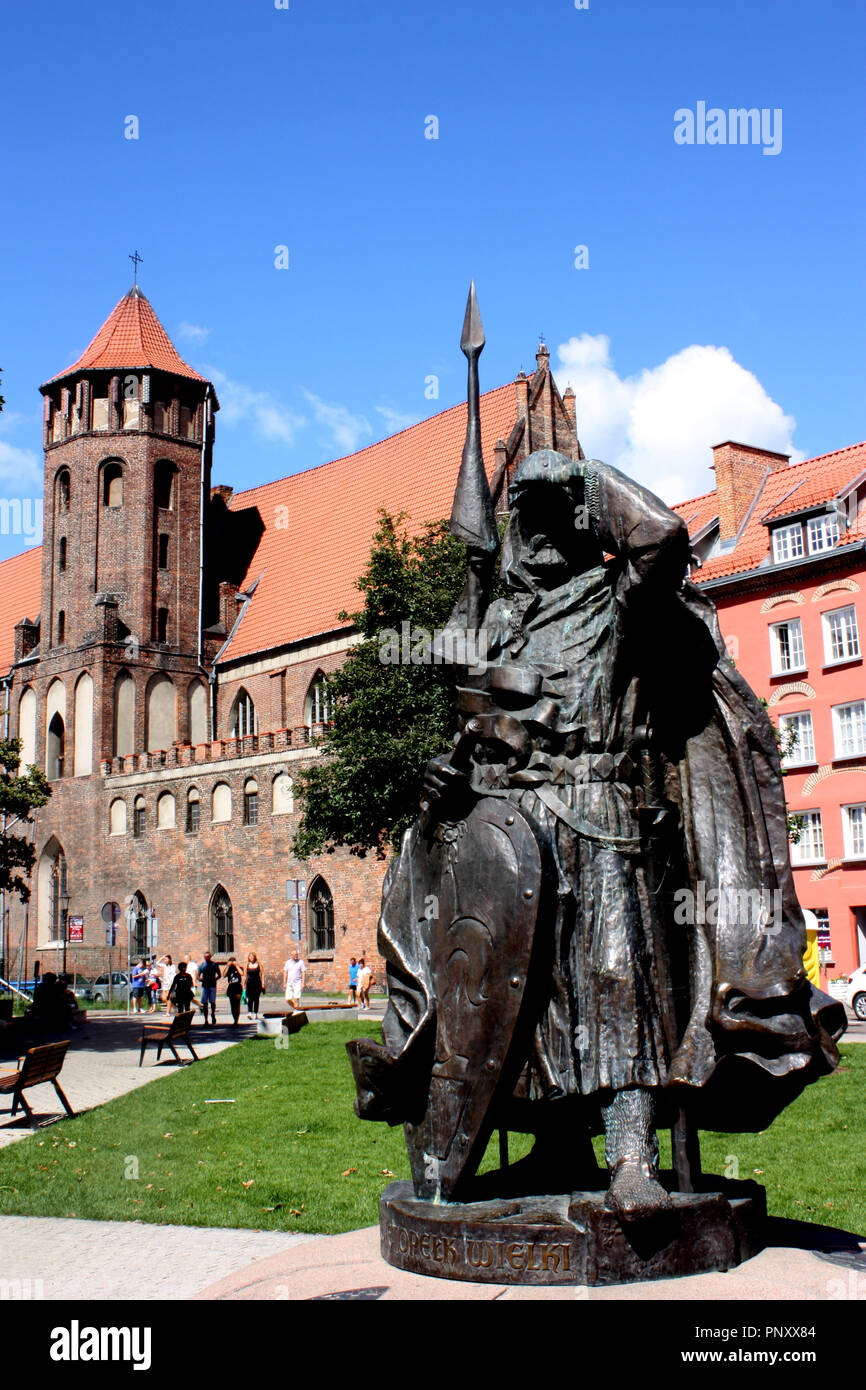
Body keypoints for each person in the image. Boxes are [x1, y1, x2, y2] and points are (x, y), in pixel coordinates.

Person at [351, 446, 846, 1216]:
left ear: (583, 517)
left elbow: (661, 535)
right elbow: (470, 737)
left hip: (604, 819)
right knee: (530, 1000)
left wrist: (571, 475)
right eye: (528, 514)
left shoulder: (615, 599)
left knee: (618, 980)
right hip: (511, 822)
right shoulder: (497, 623)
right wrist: (441, 788)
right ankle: (555, 1146)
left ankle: (629, 1160)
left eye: (558, 512)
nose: (542, 529)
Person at [196, 951, 222, 1026]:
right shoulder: (202, 966)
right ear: (204, 957)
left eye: (208, 957)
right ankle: (206, 1019)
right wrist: (201, 980)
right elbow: (198, 976)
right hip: (205, 986)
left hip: (212, 985)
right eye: (205, 957)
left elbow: (219, 974)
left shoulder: (214, 965)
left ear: (210, 957)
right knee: (204, 1003)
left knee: (212, 1002)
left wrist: (215, 979)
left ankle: (213, 1014)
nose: (207, 958)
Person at [224, 956, 244, 1025]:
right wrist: (227, 966)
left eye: (233, 961)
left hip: (237, 986)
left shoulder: (239, 967)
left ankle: (236, 1020)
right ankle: (234, 1019)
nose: (232, 963)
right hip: (231, 986)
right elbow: (224, 975)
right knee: (232, 1004)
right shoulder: (229, 968)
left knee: (237, 1004)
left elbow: (242, 973)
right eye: (231, 961)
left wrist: (236, 965)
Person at [244, 953, 264, 1020]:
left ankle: (255, 1013)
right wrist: (243, 985)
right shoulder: (247, 965)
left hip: (257, 983)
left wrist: (262, 984)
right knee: (250, 998)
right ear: (248, 958)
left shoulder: (259, 964)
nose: (251, 958)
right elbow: (245, 975)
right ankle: (249, 1012)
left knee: (256, 999)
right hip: (249, 983)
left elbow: (262, 974)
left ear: (255, 957)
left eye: (252, 957)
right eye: (250, 957)